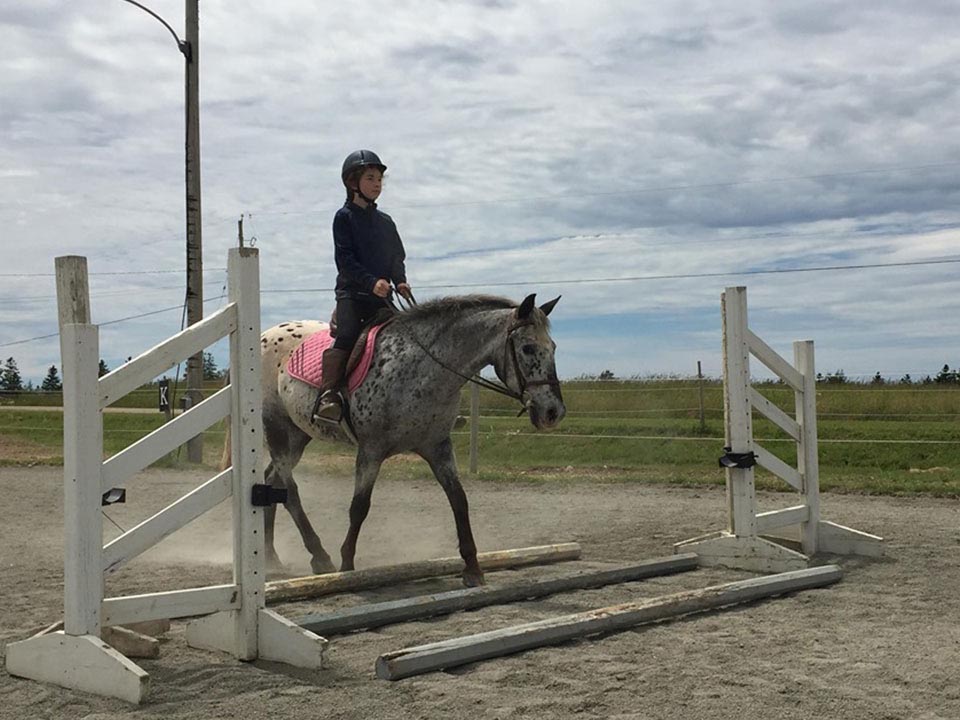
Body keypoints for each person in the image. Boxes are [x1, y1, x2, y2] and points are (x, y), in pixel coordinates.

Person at [313, 149, 412, 423]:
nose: (377, 183)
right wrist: (371, 283)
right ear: (352, 182)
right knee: (346, 335)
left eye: (380, 178)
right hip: (353, 295)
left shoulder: (386, 222)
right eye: (370, 178)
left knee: (409, 336)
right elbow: (344, 260)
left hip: (382, 297)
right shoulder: (343, 217)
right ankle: (329, 395)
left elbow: (395, 257)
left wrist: (400, 280)